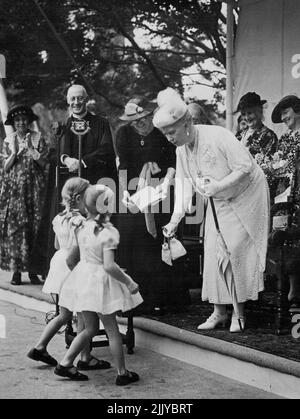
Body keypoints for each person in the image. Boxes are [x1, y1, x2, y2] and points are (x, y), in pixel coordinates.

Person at [154, 88, 270, 333]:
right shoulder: (181, 151)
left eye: (172, 132)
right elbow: (184, 190)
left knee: (234, 248)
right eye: (165, 134)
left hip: (248, 194)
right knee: (212, 248)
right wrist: (174, 222)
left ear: (186, 124)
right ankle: (218, 311)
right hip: (218, 199)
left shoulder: (218, 135)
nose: (169, 138)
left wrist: (219, 185)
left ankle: (239, 314)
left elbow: (246, 167)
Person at [55, 184, 142, 383]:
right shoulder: (108, 232)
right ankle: (122, 373)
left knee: (89, 329)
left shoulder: (80, 227)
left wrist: (81, 274)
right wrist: (129, 282)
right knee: (112, 330)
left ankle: (66, 363)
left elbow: (70, 260)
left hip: (83, 280)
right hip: (101, 283)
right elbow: (110, 266)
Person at [116, 95, 190, 315]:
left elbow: (173, 162)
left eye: (143, 117)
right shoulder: (123, 134)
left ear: (150, 115)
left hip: (162, 193)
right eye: (134, 119)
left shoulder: (161, 131)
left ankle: (166, 300)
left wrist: (165, 179)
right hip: (136, 193)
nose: (139, 122)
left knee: (161, 242)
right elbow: (124, 165)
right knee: (137, 245)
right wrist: (126, 193)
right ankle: (139, 300)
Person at [27, 177, 111, 370]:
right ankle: (84, 357)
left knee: (64, 314)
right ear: (82, 198)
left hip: (58, 263)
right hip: (73, 267)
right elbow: (79, 248)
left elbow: (57, 245)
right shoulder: (81, 221)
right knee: (82, 314)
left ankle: (40, 346)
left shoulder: (59, 218)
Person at [0, 105, 48, 285]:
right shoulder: (8, 139)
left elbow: (44, 164)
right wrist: (15, 152)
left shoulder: (38, 138)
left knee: (35, 227)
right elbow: (4, 168)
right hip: (14, 191)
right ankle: (17, 271)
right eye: (17, 120)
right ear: (13, 122)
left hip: (34, 189)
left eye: (23, 119)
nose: (21, 122)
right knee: (16, 229)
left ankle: (34, 271)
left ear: (28, 121)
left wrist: (30, 148)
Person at [270, 95, 300, 311]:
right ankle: (293, 290)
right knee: (286, 240)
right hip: (285, 194)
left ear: (297, 110)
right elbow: (279, 166)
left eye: (286, 111)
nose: (284, 117)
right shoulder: (285, 138)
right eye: (281, 114)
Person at [60, 84, 117, 185]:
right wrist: (66, 159)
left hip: (98, 179)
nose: (76, 102)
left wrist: (82, 162)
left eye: (80, 98)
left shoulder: (101, 123)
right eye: (73, 99)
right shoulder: (64, 125)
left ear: (86, 99)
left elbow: (106, 149)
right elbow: (60, 150)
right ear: (68, 101)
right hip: (73, 182)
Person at [235, 92, 278, 158]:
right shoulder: (239, 134)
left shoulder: (269, 136)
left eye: (250, 113)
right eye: (243, 114)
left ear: (259, 111)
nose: (247, 118)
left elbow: (268, 165)